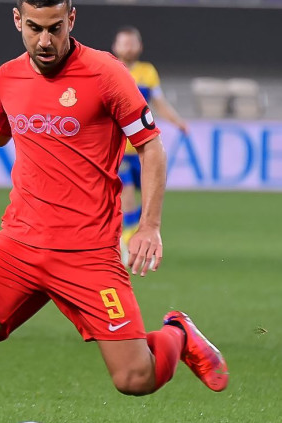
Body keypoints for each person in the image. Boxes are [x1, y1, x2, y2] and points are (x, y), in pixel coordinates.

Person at [0, 1, 227, 421]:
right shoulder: (9, 74)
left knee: (134, 379)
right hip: (18, 243)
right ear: (17, 20)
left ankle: (177, 333)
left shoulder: (106, 73)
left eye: (55, 28)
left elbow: (150, 146)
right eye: (34, 28)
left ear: (71, 20)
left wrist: (149, 225)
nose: (45, 40)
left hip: (87, 252)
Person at [111, 26, 189, 261]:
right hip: (118, 149)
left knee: (149, 197)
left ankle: (130, 234)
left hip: (143, 148)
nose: (128, 48)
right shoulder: (109, 69)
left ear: (140, 46)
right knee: (126, 193)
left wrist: (178, 122)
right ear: (115, 47)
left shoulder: (148, 72)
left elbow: (159, 103)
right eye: (124, 43)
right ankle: (128, 239)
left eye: (132, 43)